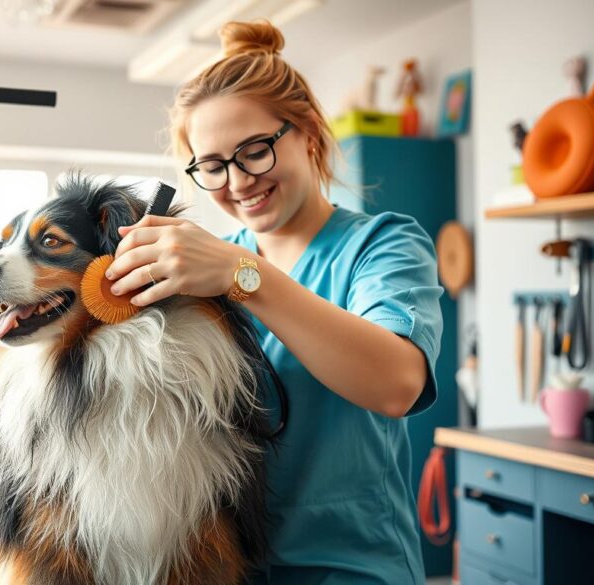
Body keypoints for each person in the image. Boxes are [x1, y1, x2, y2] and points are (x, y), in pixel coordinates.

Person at [104, 20, 444, 585]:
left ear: (308, 133)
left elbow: (396, 384)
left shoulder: (382, 245)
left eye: (254, 151)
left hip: (349, 564)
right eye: (212, 166)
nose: (237, 182)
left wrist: (243, 276)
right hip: (224, 565)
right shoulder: (206, 268)